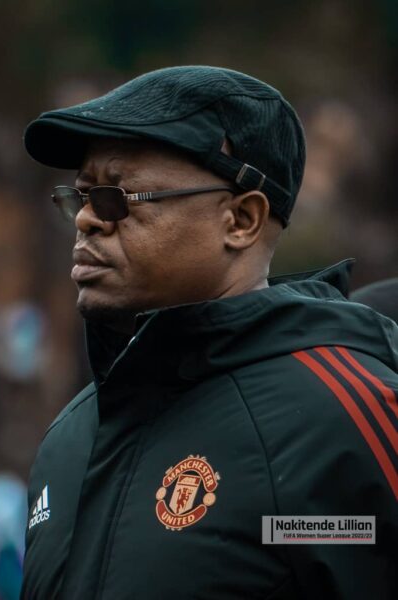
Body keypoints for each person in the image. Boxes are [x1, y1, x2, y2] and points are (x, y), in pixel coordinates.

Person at [21, 66, 398, 599]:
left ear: (241, 220)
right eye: (81, 197)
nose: (86, 220)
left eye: (117, 198)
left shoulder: (346, 416)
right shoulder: (70, 435)